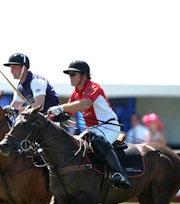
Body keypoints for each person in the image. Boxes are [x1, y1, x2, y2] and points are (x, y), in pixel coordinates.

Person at [48, 60, 130, 189]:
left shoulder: (93, 87)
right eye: (69, 74)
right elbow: (68, 111)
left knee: (98, 143)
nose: (70, 77)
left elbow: (85, 104)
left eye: (73, 74)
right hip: (92, 130)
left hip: (109, 127)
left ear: (84, 75)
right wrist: (48, 116)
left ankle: (120, 174)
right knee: (73, 147)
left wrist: (60, 108)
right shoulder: (75, 94)